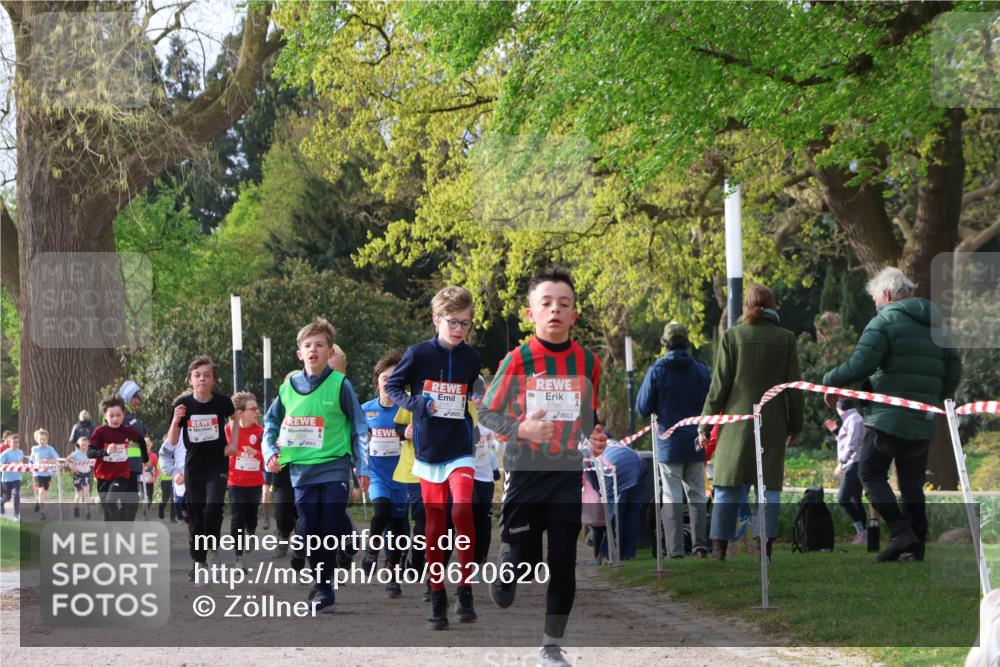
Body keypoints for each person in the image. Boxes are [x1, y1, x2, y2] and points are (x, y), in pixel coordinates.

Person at [480, 268, 608, 667]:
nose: (555, 310)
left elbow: (588, 415)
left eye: (564, 304)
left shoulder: (588, 361)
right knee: (525, 559)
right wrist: (522, 429)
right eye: (546, 304)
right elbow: (486, 413)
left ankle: (550, 648)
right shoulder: (517, 360)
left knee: (563, 563)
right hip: (525, 471)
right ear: (530, 314)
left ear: (574, 314)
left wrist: (598, 435)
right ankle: (507, 569)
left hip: (567, 471)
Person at [823, 267, 962, 562]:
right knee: (912, 485)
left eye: (875, 299)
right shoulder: (938, 324)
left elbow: (860, 364)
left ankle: (901, 533)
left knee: (869, 473)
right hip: (922, 418)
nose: (875, 305)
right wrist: (936, 397)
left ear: (886, 295)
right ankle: (916, 548)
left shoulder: (884, 320)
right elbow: (954, 366)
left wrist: (829, 380)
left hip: (887, 417)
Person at [385, 286, 482, 629]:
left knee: (462, 510)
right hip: (427, 452)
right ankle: (437, 595)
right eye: (453, 322)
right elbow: (392, 388)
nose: (459, 329)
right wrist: (419, 405)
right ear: (436, 319)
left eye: (466, 324)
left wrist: (479, 403)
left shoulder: (471, 358)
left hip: (459, 447)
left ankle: (465, 589)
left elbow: (474, 390)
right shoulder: (418, 354)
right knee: (435, 526)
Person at [262, 318, 369, 614]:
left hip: (335, 466)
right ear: (299, 353)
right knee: (310, 529)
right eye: (307, 346)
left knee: (331, 523)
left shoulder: (340, 384)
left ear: (329, 351)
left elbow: (360, 427)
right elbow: (270, 424)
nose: (313, 350)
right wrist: (270, 451)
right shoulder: (287, 387)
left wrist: (363, 468)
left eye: (319, 345)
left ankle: (325, 586)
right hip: (301, 471)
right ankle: (322, 582)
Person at [699, 284, 803, 562]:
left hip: (736, 423)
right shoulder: (787, 339)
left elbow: (718, 387)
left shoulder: (732, 337)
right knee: (768, 487)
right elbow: (793, 387)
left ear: (746, 306)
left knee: (727, 485)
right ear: (773, 305)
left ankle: (719, 548)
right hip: (773, 422)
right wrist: (796, 426)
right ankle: (764, 548)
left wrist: (705, 426)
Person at [635, 321, 711, 559]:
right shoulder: (701, 370)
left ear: (665, 343)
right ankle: (700, 546)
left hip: (668, 443)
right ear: (687, 342)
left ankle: (675, 550)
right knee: (698, 494)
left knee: (671, 495)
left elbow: (641, 408)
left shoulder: (657, 370)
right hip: (696, 441)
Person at [166, 357, 238, 578]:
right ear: (190, 379)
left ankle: (212, 547)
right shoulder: (183, 406)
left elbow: (235, 418)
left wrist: (233, 442)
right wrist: (175, 420)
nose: (202, 379)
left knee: (213, 507)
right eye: (197, 375)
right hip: (194, 466)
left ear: (213, 380)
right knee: (197, 514)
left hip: (217, 463)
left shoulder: (223, 402)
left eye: (207, 375)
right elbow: (173, 440)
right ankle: (199, 560)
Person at [360, 350, 411, 599]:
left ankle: (392, 577)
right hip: (377, 474)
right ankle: (372, 548)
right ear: (377, 381)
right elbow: (357, 442)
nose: (389, 382)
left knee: (400, 529)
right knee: (381, 511)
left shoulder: (407, 408)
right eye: (385, 378)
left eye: (395, 378)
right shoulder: (366, 410)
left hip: (403, 476)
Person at [89, 395, 149, 522]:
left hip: (121, 474)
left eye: (118, 415)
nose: (115, 419)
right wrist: (105, 452)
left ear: (123, 415)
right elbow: (90, 452)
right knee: (108, 509)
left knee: (114, 501)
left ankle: (122, 527)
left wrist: (145, 458)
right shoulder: (99, 432)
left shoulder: (127, 430)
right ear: (105, 416)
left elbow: (141, 441)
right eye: (111, 416)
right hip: (103, 476)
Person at [227, 391, 265, 570]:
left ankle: (251, 532)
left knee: (251, 517)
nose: (257, 412)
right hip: (235, 482)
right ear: (240, 413)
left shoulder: (260, 431)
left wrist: (255, 453)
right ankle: (238, 557)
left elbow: (268, 456)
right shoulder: (228, 430)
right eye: (253, 409)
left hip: (254, 482)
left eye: (257, 408)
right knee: (237, 517)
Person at [591, 442, 646, 560]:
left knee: (614, 515)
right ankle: (628, 554)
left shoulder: (587, 452)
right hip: (638, 466)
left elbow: (592, 479)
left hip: (615, 470)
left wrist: (601, 493)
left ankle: (607, 553)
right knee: (632, 514)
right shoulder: (616, 443)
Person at [827, 399, 867, 545]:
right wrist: (836, 431)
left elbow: (853, 443)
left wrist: (841, 463)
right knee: (855, 498)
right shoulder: (851, 419)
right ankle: (863, 534)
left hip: (854, 463)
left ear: (840, 409)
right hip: (854, 462)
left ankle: (861, 532)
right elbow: (845, 440)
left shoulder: (854, 420)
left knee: (842, 498)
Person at [118, 380, 148, 494]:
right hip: (125, 464)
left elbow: (141, 430)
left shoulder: (130, 414)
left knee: (131, 503)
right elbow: (140, 431)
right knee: (130, 503)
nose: (137, 400)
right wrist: (140, 426)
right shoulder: (123, 413)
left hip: (131, 465)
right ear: (127, 396)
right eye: (134, 396)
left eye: (139, 398)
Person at [29, 429, 59, 519]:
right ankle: (42, 511)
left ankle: (39, 502)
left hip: (47, 473)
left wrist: (48, 461)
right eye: (40, 439)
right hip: (37, 473)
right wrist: (30, 465)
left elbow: (57, 460)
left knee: (44, 492)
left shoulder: (50, 449)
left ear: (47, 440)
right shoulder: (34, 449)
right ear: (37, 440)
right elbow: (31, 459)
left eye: (44, 439)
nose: (42, 441)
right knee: (41, 490)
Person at [581, 472, 605, 566]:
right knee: (602, 530)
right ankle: (602, 556)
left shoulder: (588, 470)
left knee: (598, 530)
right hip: (598, 501)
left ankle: (598, 557)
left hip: (594, 502)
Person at [67, 436, 94, 519]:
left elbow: (96, 460)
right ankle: (76, 508)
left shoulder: (90, 452)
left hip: (86, 474)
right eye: (82, 445)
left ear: (88, 445)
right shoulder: (75, 453)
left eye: (86, 445)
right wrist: (72, 467)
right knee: (78, 494)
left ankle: (88, 512)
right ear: (79, 445)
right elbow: (67, 460)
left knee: (87, 493)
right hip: (78, 474)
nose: (84, 447)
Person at [0, 434, 24, 520]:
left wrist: (21, 465)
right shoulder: (5, 453)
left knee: (16, 494)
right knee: (7, 497)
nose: (16, 444)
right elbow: (1, 464)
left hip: (16, 478)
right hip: (6, 479)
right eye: (14, 442)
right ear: (10, 443)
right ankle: (1, 502)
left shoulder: (20, 452)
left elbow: (20, 462)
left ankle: (16, 515)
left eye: (18, 442)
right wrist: (9, 465)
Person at [140, 444, 159, 518]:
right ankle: (145, 513)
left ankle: (145, 512)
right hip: (141, 481)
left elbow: (157, 468)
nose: (146, 447)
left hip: (150, 480)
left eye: (147, 445)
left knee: (149, 498)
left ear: (151, 445)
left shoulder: (154, 456)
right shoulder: (138, 454)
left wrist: (154, 477)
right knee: (143, 496)